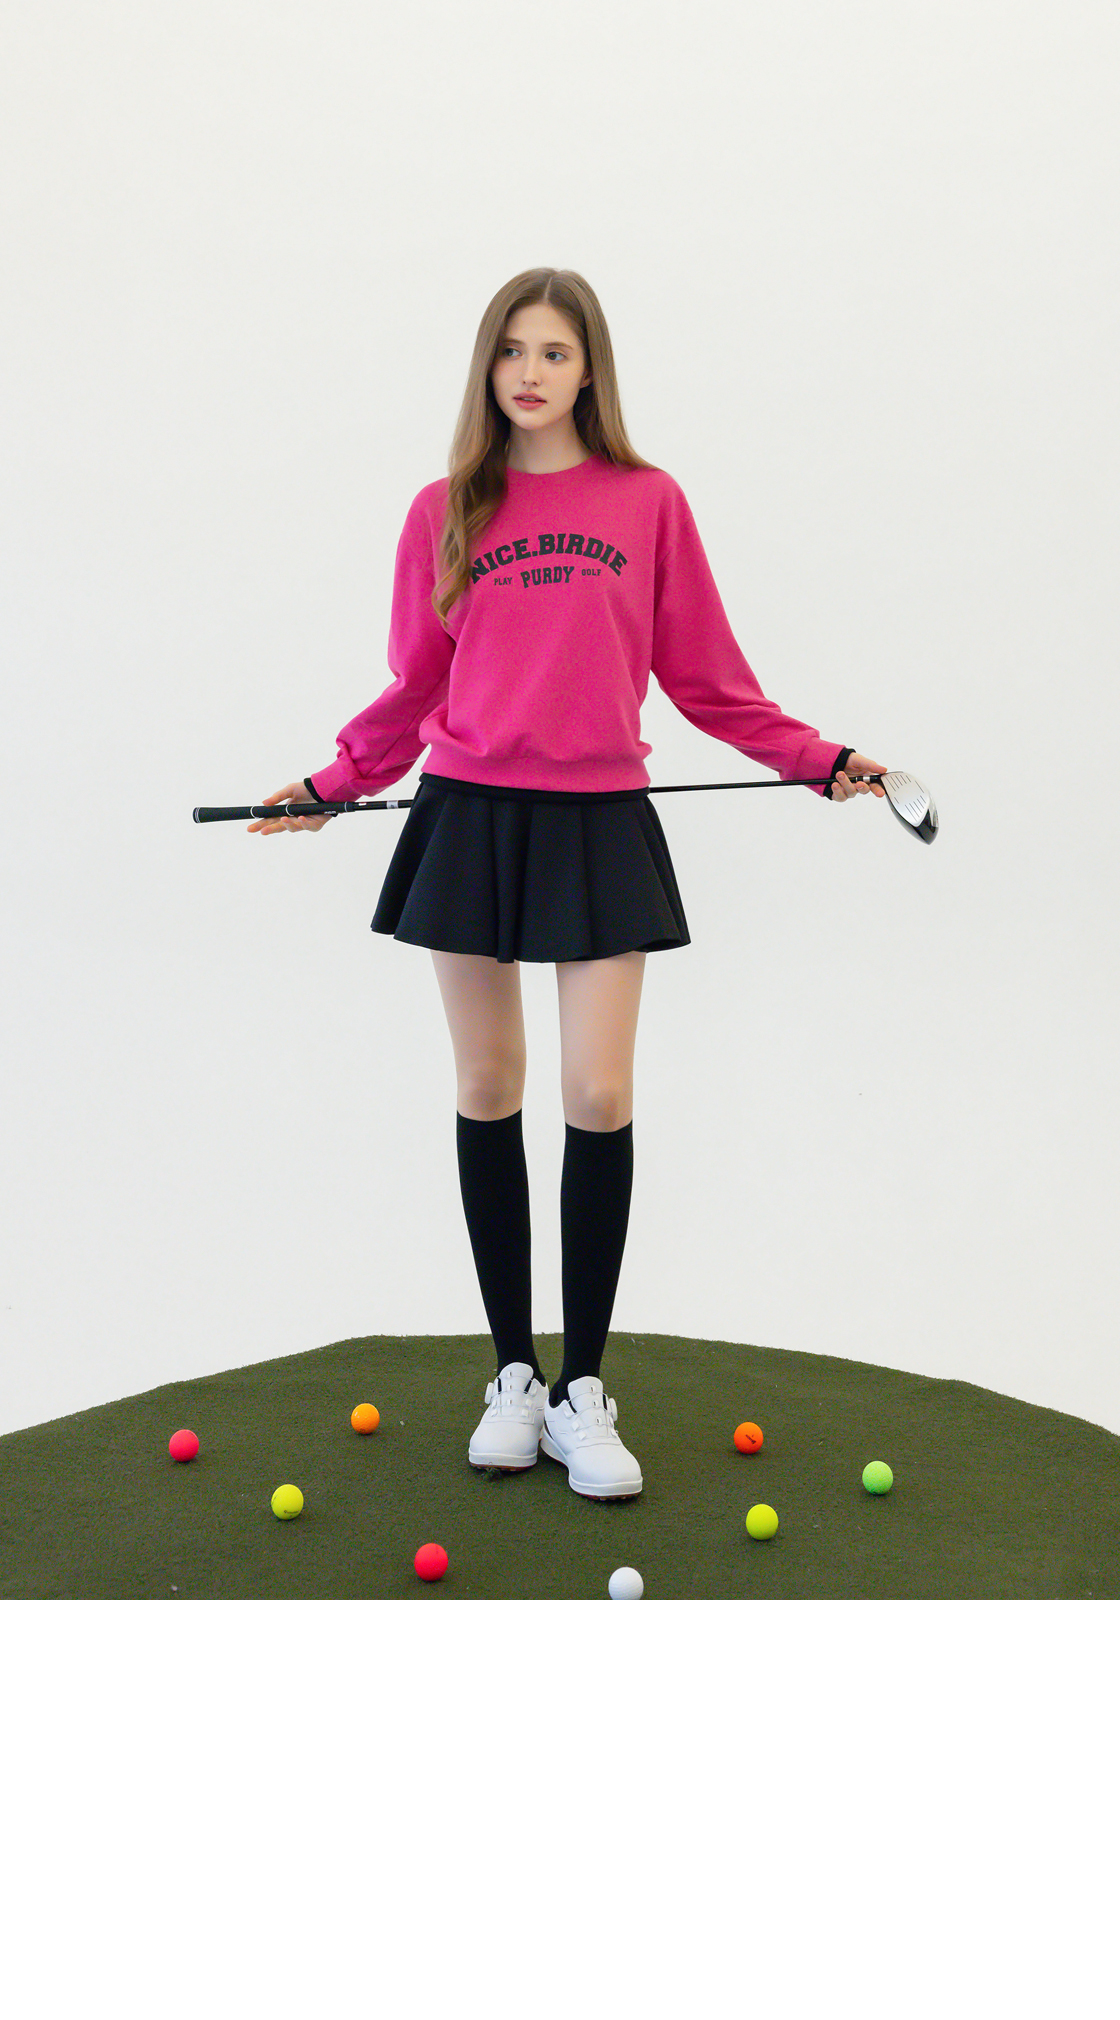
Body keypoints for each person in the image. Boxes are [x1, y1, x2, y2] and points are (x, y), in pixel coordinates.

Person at [248, 267, 888, 1504]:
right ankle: (512, 1375)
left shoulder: (649, 502)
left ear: (590, 367)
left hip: (598, 820)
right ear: (485, 369)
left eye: (552, 351)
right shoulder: (444, 508)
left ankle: (582, 1387)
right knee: (489, 1082)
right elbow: (417, 684)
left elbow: (709, 680)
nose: (529, 373)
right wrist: (333, 782)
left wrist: (816, 759)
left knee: (597, 1092)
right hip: (470, 816)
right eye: (509, 351)